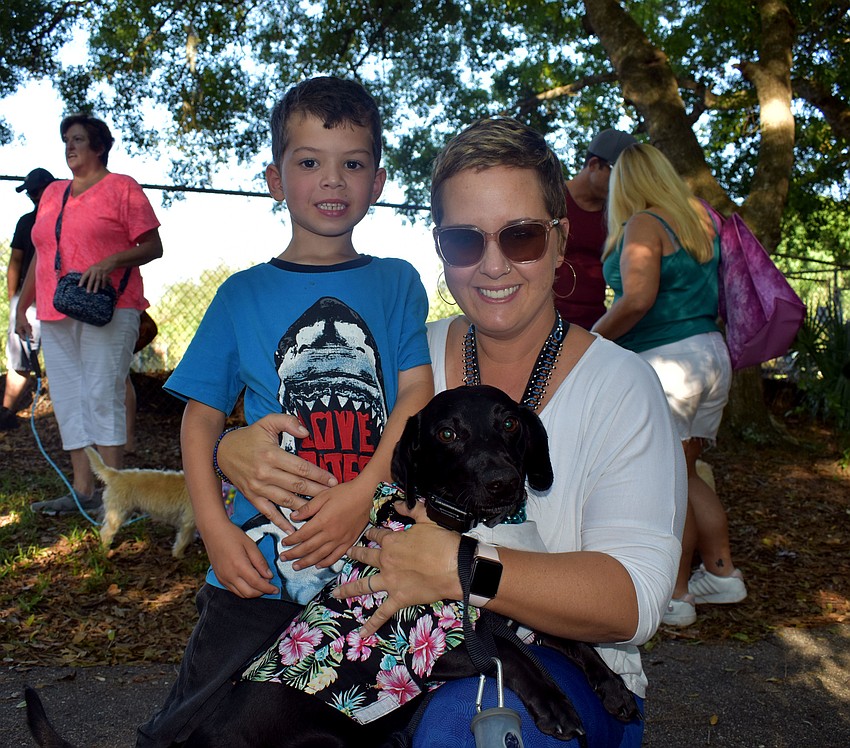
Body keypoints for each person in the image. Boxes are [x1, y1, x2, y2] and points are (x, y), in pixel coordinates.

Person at [217, 118, 687, 747]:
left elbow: (634, 603)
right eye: (466, 241)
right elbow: (310, 440)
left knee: (468, 726)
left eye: (520, 236)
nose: (493, 265)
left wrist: (463, 566)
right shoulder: (402, 356)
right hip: (377, 659)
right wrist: (236, 446)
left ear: (559, 237)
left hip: (558, 673)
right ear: (440, 248)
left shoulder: (622, 386)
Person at [136, 76, 433, 747]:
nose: (332, 180)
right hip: (255, 570)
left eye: (352, 163)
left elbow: (415, 395)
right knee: (190, 729)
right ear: (275, 179)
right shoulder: (240, 296)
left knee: (365, 727)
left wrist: (364, 492)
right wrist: (214, 529)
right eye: (309, 162)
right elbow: (201, 421)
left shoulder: (397, 281)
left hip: (368, 564)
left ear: (379, 181)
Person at [592, 142, 747, 628]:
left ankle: (675, 596)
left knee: (667, 481)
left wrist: (589, 342)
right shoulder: (701, 221)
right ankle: (721, 573)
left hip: (668, 362)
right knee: (686, 471)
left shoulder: (643, 223)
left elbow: (636, 300)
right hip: (711, 353)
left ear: (628, 182)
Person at [15, 114, 163, 515]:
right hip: (54, 309)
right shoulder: (53, 194)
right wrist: (22, 306)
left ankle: (114, 493)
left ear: (99, 146)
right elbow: (42, 255)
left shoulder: (123, 188)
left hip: (109, 308)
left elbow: (153, 246)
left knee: (102, 394)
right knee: (68, 400)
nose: (69, 147)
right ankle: (82, 490)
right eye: (65, 140)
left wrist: (111, 260)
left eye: (78, 139)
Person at [553, 128, 636, 330]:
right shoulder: (551, 199)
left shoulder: (619, 215)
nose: (623, 185)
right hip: (546, 322)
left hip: (595, 326)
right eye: (618, 174)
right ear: (593, 165)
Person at [1, 168, 55, 431]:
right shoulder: (26, 222)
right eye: (30, 193)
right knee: (19, 361)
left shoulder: (66, 218)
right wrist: (15, 302)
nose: (34, 196)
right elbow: (16, 261)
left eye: (37, 190)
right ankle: (6, 413)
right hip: (29, 303)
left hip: (60, 302)